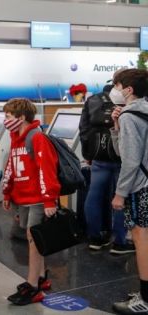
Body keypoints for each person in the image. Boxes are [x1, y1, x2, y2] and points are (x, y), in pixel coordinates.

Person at [2, 98, 60, 305]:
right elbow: (11, 167)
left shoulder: (37, 138)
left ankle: (33, 285)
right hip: (24, 198)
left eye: (8, 116)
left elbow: (47, 170)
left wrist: (49, 200)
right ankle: (41, 276)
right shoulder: (16, 138)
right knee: (33, 239)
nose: (5, 120)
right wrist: (7, 193)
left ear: (21, 117)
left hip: (37, 198)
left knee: (34, 239)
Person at [108, 69, 148, 315]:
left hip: (140, 187)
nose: (116, 90)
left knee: (141, 240)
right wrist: (116, 127)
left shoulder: (130, 116)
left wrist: (120, 193)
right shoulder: (141, 111)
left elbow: (129, 160)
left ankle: (145, 299)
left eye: (118, 85)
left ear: (129, 90)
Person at [79, 83, 135, 254]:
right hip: (122, 158)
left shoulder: (93, 100)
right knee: (121, 198)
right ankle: (120, 241)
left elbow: (84, 129)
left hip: (98, 156)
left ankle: (95, 238)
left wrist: (88, 154)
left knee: (93, 195)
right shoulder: (129, 100)